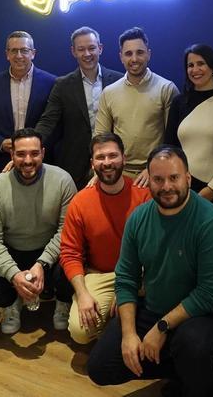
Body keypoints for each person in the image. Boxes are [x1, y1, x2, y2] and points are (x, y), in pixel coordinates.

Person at [86, 146, 213, 396]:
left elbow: (209, 293)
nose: (166, 186)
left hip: (198, 317)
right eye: (158, 179)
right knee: (99, 367)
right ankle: (180, 369)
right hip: (152, 308)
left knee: (193, 347)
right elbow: (125, 278)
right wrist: (129, 334)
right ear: (149, 182)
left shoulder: (212, 223)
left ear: (188, 178)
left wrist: (161, 328)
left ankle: (198, 373)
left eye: (174, 178)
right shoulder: (138, 218)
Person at [0, 128, 76, 335]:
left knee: (74, 264)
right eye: (21, 154)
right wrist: (14, 274)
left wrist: (42, 264)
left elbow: (67, 231)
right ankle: (11, 301)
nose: (28, 160)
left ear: (43, 153)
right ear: (11, 155)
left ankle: (62, 301)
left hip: (49, 252)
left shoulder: (63, 181)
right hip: (12, 251)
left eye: (34, 153)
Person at [59, 133, 151, 343]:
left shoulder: (144, 197)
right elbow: (70, 252)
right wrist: (82, 294)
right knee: (80, 332)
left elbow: (155, 249)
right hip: (100, 275)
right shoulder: (80, 201)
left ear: (124, 158)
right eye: (100, 157)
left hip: (141, 275)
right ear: (92, 163)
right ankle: (111, 329)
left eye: (113, 156)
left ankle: (119, 329)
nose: (107, 163)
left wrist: (130, 288)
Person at [34, 26, 123, 189]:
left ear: (100, 49)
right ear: (73, 51)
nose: (87, 54)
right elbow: (48, 121)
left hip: (111, 161)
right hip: (74, 164)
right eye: (81, 49)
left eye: (91, 48)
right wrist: (31, 145)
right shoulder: (62, 85)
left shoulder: (119, 81)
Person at [164, 43, 213, 225]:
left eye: (201, 63)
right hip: (183, 189)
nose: (195, 69)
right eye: (190, 65)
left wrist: (211, 190)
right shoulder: (179, 102)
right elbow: (169, 148)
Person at [94, 27, 179, 186]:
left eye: (140, 52)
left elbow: (172, 140)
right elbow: (100, 138)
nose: (134, 58)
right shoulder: (109, 92)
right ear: (121, 57)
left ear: (149, 54)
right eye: (128, 53)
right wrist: (98, 171)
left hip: (155, 172)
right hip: (118, 172)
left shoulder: (166, 88)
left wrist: (153, 167)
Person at [0, 31, 56, 182]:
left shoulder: (51, 83)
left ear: (33, 53)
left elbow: (55, 123)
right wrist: (0, 143)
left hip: (40, 163)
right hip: (2, 162)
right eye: (14, 51)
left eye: (24, 50)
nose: (19, 55)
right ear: (7, 54)